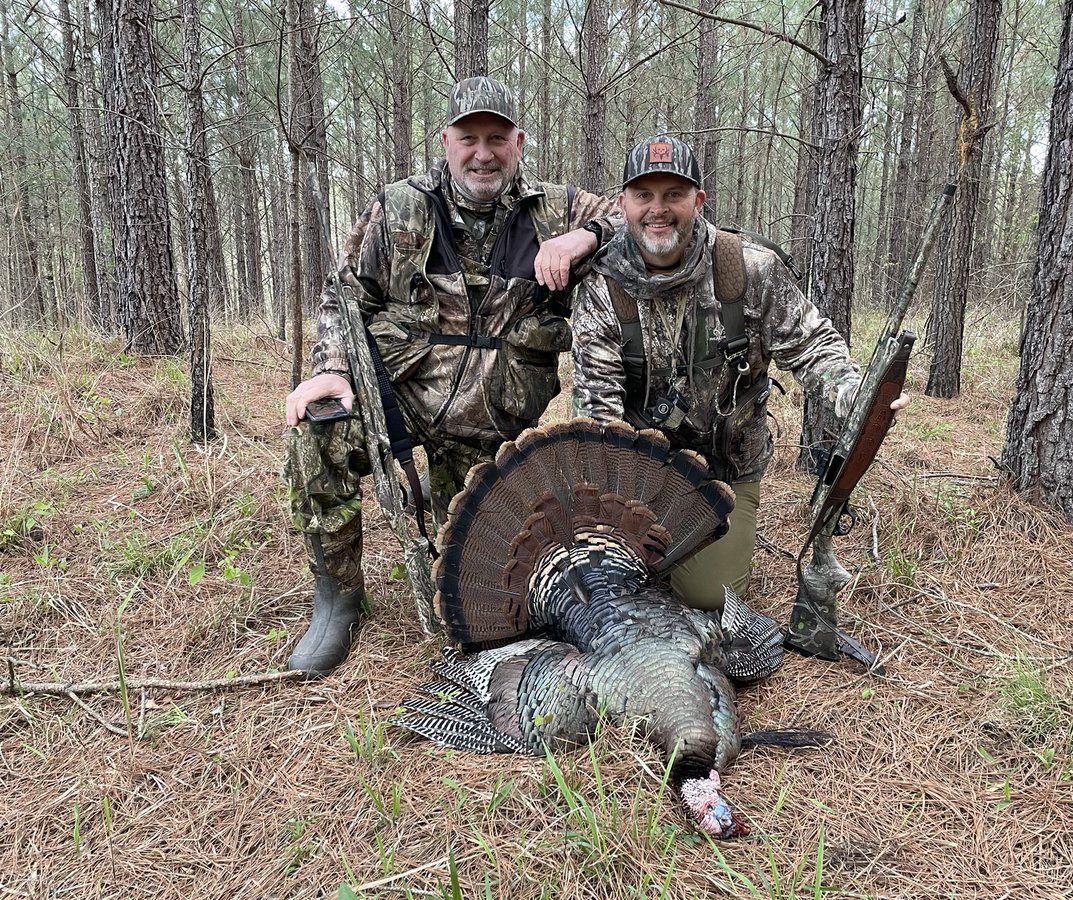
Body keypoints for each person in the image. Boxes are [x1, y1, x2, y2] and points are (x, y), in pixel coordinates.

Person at [281, 76, 616, 676]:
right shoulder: (401, 206)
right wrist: (331, 370)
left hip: (491, 438)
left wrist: (582, 236)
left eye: (495, 138)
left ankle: (448, 503)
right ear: (446, 141)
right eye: (468, 139)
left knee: (478, 614)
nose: (482, 153)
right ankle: (337, 596)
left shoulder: (555, 208)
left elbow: (634, 214)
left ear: (518, 142)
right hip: (400, 413)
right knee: (317, 431)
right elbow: (343, 294)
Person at [572, 135, 910, 613]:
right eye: (645, 195)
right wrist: (614, 515)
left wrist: (856, 395)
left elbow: (813, 345)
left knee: (709, 598)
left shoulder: (748, 269)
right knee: (604, 588)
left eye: (674, 194)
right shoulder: (603, 286)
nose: (658, 209)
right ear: (623, 203)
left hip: (728, 469)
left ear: (699, 200)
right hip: (640, 474)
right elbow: (598, 413)